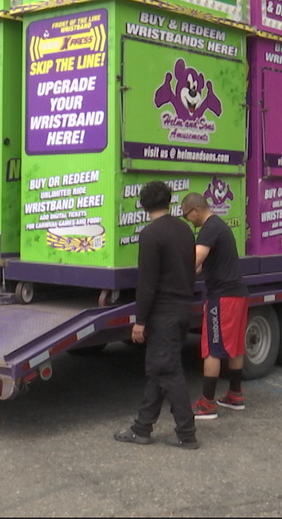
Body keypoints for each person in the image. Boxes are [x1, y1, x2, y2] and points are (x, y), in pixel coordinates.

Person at [114, 181, 199, 450]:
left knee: (169, 371)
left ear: (143, 205)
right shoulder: (185, 229)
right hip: (183, 307)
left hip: (163, 313)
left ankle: (187, 433)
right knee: (159, 369)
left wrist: (140, 320)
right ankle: (142, 428)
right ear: (170, 201)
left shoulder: (151, 235)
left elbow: (147, 282)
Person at [180, 192, 248, 420]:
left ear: (195, 210)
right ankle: (235, 394)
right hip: (238, 295)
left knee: (212, 348)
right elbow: (201, 268)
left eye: (186, 215)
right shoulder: (219, 226)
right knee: (235, 347)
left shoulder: (209, 229)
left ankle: (207, 403)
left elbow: (194, 261)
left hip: (222, 298)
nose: (187, 219)